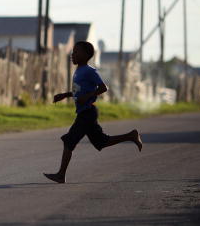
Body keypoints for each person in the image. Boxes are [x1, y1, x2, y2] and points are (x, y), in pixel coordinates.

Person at [43, 41, 143, 184]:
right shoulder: (78, 70)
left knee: (69, 140)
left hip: (87, 113)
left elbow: (103, 88)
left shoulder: (90, 71)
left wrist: (89, 95)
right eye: (73, 52)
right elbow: (80, 92)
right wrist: (65, 95)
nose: (73, 55)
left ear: (86, 55)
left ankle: (61, 175)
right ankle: (131, 135)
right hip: (85, 112)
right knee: (101, 141)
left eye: (76, 52)